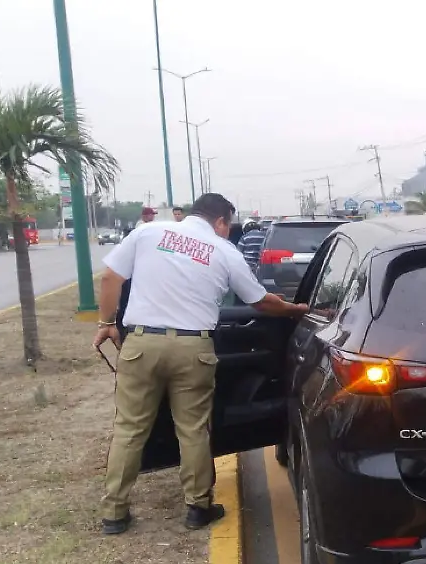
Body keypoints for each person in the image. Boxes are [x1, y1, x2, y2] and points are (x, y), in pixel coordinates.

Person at [93, 193, 308, 535]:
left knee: (129, 429)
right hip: (194, 348)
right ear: (221, 221)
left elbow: (109, 278)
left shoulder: (148, 233)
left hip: (141, 343)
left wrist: (106, 323)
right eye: (228, 226)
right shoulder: (225, 251)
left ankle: (114, 514)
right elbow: (260, 302)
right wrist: (296, 310)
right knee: (192, 429)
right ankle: (197, 508)